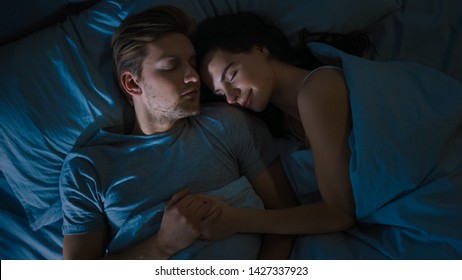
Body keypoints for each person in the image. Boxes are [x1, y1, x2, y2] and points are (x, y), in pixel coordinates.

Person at [59, 6, 297, 260]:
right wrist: (162, 245)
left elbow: (286, 221)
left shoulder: (228, 124)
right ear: (132, 82)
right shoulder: (89, 168)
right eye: (172, 65)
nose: (193, 77)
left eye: (191, 64)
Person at [192, 12, 372, 237]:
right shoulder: (282, 131)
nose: (230, 98)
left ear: (260, 49)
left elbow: (340, 213)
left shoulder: (318, 89)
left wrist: (236, 220)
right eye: (220, 93)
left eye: (231, 76)